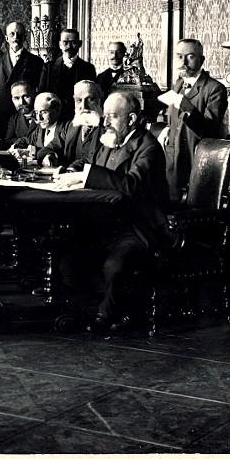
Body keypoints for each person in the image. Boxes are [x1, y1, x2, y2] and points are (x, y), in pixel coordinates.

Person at [55, 91, 170, 335]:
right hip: (105, 222)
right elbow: (87, 162)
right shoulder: (108, 139)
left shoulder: (147, 147)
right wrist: (68, 171)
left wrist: (85, 176)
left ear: (131, 119)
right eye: (105, 116)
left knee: (115, 265)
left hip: (138, 227)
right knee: (67, 259)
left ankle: (105, 317)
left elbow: (131, 185)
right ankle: (85, 309)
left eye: (112, 116)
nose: (105, 122)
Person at [160, 38, 227, 201]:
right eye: (179, 56)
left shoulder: (215, 89)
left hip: (196, 160)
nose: (183, 62)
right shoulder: (178, 84)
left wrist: (188, 108)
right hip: (173, 160)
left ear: (202, 60)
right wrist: (166, 128)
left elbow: (210, 130)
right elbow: (173, 118)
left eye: (190, 56)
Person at [37, 80, 104, 166]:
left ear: (100, 101)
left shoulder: (108, 129)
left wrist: (71, 170)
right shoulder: (71, 126)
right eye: (79, 100)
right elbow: (52, 146)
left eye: (90, 99)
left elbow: (93, 160)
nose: (84, 106)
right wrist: (50, 155)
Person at [38, 28, 97, 105]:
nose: (69, 46)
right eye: (65, 42)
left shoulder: (88, 68)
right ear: (60, 44)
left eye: (73, 42)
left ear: (80, 44)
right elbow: (42, 96)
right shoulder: (48, 67)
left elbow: (92, 97)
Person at [4, 19, 45, 97]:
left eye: (19, 34)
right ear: (6, 38)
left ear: (24, 37)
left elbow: (39, 89)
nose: (16, 37)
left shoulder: (37, 61)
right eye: (12, 34)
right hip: (3, 107)